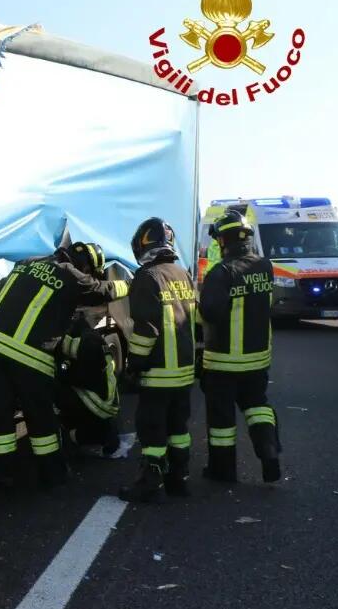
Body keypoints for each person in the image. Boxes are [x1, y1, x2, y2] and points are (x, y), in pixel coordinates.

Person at [0, 242, 128, 488]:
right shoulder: (69, 274)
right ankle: (52, 475)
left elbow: (0, 287)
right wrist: (130, 284)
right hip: (28, 356)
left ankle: (0, 473)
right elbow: (102, 291)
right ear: (85, 266)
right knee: (40, 418)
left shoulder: (26, 263)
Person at [198, 209, 281, 483]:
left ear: (223, 241)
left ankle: (223, 472)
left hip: (223, 362)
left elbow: (210, 313)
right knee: (257, 406)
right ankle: (269, 453)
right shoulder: (264, 266)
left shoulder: (221, 273)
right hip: (257, 359)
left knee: (222, 420)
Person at [119, 218, 197, 502]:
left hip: (159, 372)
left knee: (152, 429)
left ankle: (150, 484)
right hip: (184, 372)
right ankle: (180, 479)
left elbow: (145, 330)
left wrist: (133, 364)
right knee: (179, 429)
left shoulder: (147, 276)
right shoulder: (182, 273)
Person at [54, 320, 122, 456]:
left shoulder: (86, 345)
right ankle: (103, 432)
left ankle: (81, 436)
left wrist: (61, 374)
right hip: (106, 400)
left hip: (98, 402)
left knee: (56, 391)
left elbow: (82, 378)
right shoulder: (92, 339)